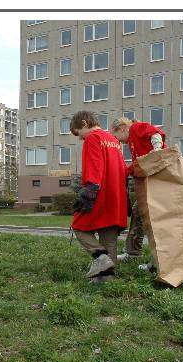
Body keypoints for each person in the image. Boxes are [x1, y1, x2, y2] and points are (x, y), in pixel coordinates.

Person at [70, 111, 128, 284]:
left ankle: (100, 257)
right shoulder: (114, 140)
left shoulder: (93, 138)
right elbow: (123, 169)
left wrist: (89, 191)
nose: (80, 139)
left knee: (78, 226)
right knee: (108, 235)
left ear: (84, 123)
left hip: (100, 193)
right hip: (116, 196)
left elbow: (95, 165)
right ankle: (106, 279)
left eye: (78, 133)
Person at [110, 117, 167, 270]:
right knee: (137, 211)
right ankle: (133, 252)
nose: (118, 141)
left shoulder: (135, 128)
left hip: (156, 179)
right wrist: (123, 172)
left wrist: (157, 151)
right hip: (150, 178)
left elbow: (156, 133)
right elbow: (138, 164)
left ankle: (156, 261)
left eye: (116, 136)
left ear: (122, 128)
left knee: (151, 217)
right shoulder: (132, 142)